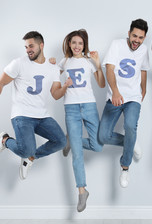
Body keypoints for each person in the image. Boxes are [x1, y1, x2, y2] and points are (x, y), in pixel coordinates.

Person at [0, 31, 69, 180]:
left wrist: (66, 86)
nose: (28, 49)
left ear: (41, 45)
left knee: (61, 141)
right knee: (25, 150)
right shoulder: (19, 63)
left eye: (31, 46)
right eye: (25, 47)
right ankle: (5, 140)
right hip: (22, 115)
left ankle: (30, 158)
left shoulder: (53, 68)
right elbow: (0, 84)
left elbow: (56, 95)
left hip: (42, 116)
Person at [50, 29, 105, 212]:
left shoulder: (89, 61)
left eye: (80, 43)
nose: (76, 46)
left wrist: (97, 64)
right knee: (78, 155)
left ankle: (71, 141)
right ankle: (82, 191)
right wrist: (49, 64)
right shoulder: (64, 62)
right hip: (71, 108)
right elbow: (51, 75)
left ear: (84, 45)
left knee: (98, 145)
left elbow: (102, 84)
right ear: (69, 44)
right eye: (73, 42)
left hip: (89, 106)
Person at [98, 18, 150, 188]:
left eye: (141, 38)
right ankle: (132, 141)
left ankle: (125, 167)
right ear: (129, 34)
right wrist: (115, 91)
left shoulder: (144, 50)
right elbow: (109, 69)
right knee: (103, 136)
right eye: (134, 36)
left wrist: (144, 89)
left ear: (144, 38)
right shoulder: (117, 44)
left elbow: (143, 70)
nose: (137, 40)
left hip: (133, 98)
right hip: (115, 96)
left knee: (130, 126)